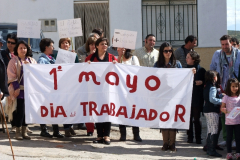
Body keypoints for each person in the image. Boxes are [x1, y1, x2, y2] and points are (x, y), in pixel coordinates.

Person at [85, 37, 118, 145]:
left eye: (106, 44)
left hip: (108, 89)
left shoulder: (111, 57)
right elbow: (84, 70)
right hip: (95, 90)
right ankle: (99, 135)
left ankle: (107, 135)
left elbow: (118, 70)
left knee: (107, 111)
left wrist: (115, 64)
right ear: (97, 46)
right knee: (98, 111)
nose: (105, 46)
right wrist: (87, 65)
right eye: (102, 44)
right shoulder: (90, 57)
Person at [210, 35, 240, 148]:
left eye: (226, 44)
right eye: (222, 44)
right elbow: (212, 67)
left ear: (231, 43)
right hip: (222, 89)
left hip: (236, 89)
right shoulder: (217, 54)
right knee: (224, 114)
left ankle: (235, 139)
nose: (224, 47)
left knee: (236, 113)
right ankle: (226, 138)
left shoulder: (238, 54)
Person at [154, 42, 182, 152]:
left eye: (170, 50)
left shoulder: (177, 64)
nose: (168, 53)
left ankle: (173, 143)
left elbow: (183, 77)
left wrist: (191, 72)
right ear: (162, 52)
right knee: (164, 119)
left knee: (173, 119)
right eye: (166, 51)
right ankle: (165, 143)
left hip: (174, 96)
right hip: (162, 96)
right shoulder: (157, 64)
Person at [7, 40, 37, 140]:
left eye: (25, 48)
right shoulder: (13, 61)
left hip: (29, 91)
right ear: (17, 49)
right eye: (20, 48)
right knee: (20, 111)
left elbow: (37, 73)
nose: (23, 50)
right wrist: (16, 87)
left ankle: (25, 131)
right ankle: (18, 132)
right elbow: (11, 75)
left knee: (27, 112)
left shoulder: (32, 61)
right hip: (18, 90)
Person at [37, 38, 64, 138]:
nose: (53, 48)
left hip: (53, 89)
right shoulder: (42, 60)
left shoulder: (52, 59)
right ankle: (44, 129)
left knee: (54, 109)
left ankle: (56, 130)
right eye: (52, 46)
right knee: (46, 109)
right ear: (46, 47)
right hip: (46, 89)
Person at [53, 37, 78, 137]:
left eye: (67, 43)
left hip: (71, 84)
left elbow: (78, 67)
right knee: (64, 106)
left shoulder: (74, 55)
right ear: (60, 45)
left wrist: (73, 56)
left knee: (71, 105)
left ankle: (70, 125)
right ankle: (66, 127)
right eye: (63, 43)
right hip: (61, 84)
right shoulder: (56, 55)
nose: (65, 44)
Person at [117, 48, 141, 141]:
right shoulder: (117, 58)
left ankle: (136, 134)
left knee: (133, 111)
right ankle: (123, 134)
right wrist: (119, 56)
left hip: (132, 90)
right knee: (121, 111)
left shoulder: (133, 58)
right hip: (121, 90)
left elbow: (137, 71)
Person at [185, 51, 206, 144]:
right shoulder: (184, 69)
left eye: (188, 57)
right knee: (188, 119)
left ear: (193, 59)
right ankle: (189, 137)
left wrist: (201, 82)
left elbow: (207, 82)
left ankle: (198, 137)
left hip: (197, 98)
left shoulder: (201, 70)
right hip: (186, 98)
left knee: (196, 119)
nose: (186, 59)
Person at [203, 70, 222, 157]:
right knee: (214, 130)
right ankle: (212, 150)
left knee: (210, 130)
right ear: (214, 78)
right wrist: (222, 101)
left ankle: (209, 148)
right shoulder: (213, 87)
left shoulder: (206, 86)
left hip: (207, 110)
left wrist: (221, 96)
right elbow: (212, 99)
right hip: (212, 111)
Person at [221, 78, 240, 160]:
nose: (235, 88)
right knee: (229, 137)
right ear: (229, 87)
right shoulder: (226, 97)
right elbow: (222, 107)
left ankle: (238, 153)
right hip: (229, 122)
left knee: (238, 137)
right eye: (233, 86)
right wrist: (224, 110)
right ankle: (229, 153)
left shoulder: (239, 97)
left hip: (238, 121)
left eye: (236, 86)